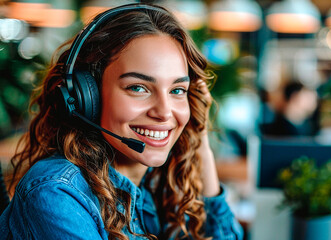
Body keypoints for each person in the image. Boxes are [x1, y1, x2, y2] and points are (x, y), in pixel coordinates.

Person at [0, 3, 243, 240]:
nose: (165, 112)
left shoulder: (157, 186)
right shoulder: (57, 194)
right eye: (138, 87)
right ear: (88, 96)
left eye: (177, 90)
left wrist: (201, 145)